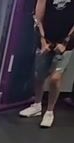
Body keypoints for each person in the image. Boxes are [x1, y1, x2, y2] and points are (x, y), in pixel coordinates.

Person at [19, 0, 74, 128]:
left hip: (65, 44)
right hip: (46, 40)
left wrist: (65, 42)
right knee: (39, 75)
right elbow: (38, 19)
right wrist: (43, 41)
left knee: (55, 78)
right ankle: (37, 105)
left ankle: (49, 111)